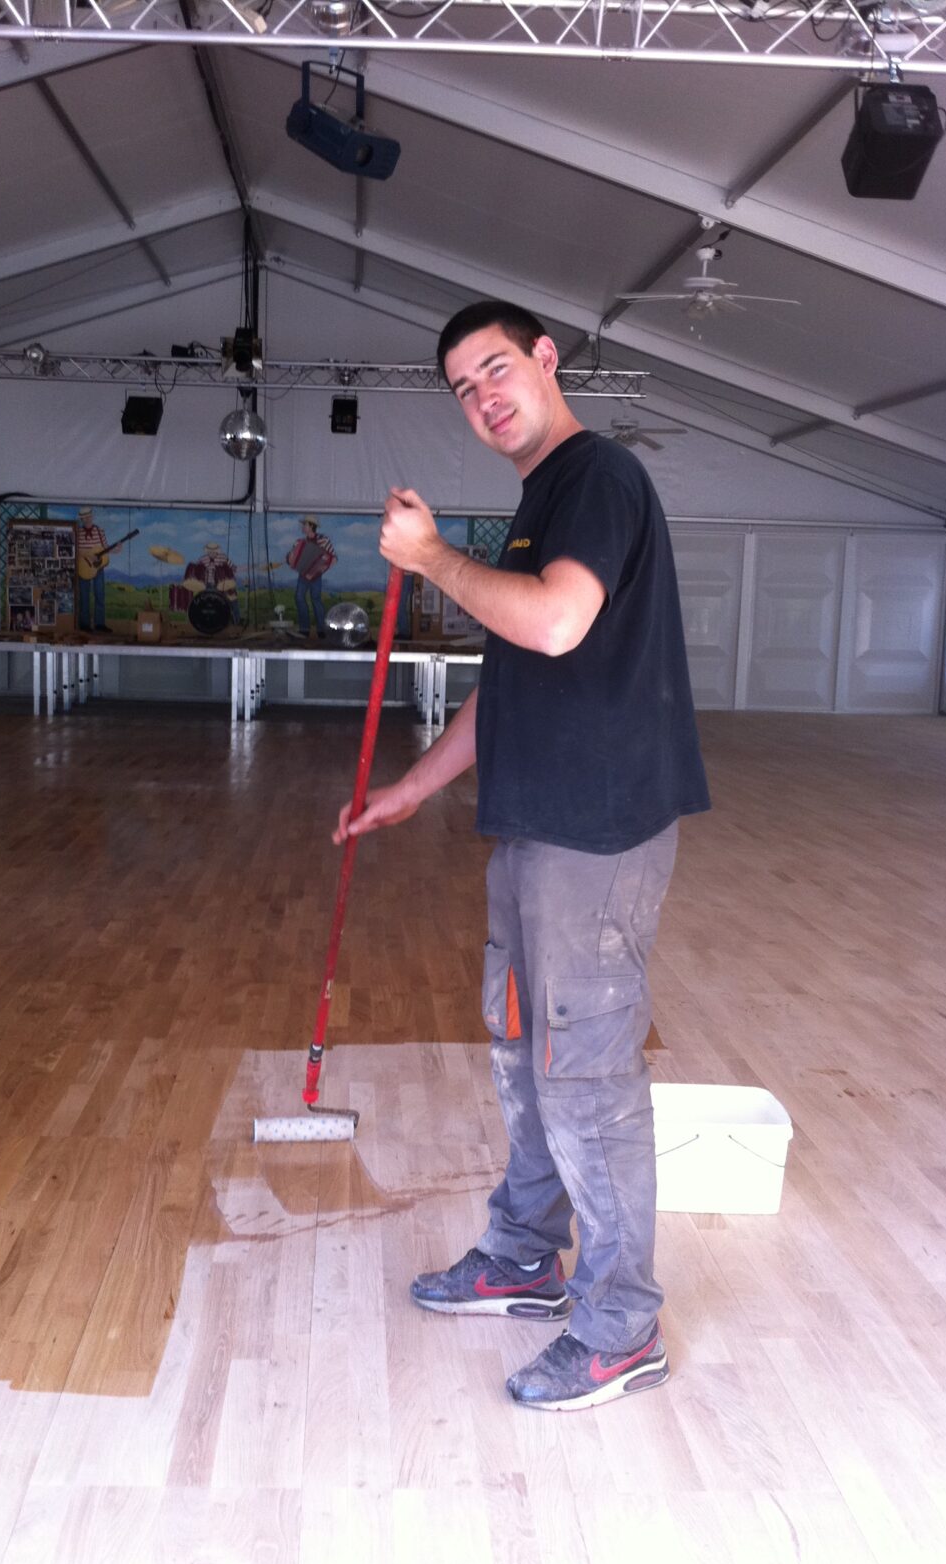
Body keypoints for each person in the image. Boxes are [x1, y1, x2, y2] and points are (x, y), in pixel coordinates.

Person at [333, 301, 710, 1411]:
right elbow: (515, 677)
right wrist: (410, 788)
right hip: (534, 823)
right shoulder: (543, 502)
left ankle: (619, 1328)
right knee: (524, 1050)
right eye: (464, 387)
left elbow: (553, 623)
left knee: (586, 1072)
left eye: (496, 369)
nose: (484, 397)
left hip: (598, 830)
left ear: (546, 360)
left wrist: (433, 558)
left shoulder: (598, 477)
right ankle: (525, 1253)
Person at [287, 516, 336, 637]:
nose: (303, 527)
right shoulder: (299, 543)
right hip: (303, 575)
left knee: (316, 599)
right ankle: (304, 628)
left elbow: (333, 558)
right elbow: (291, 558)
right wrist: (290, 557)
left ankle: (321, 630)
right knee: (299, 597)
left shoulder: (323, 540)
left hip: (316, 576)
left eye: (305, 525)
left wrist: (320, 569)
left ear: (311, 526)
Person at [75, 506, 110, 633]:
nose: (87, 520)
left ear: (92, 517)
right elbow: (75, 549)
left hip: (97, 568)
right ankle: (84, 624)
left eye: (88, 517)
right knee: (84, 596)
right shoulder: (78, 532)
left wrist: (116, 549)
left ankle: (99, 624)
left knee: (100, 595)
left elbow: (105, 548)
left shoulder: (100, 531)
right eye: (84, 518)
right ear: (81, 519)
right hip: (83, 568)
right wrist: (88, 554)